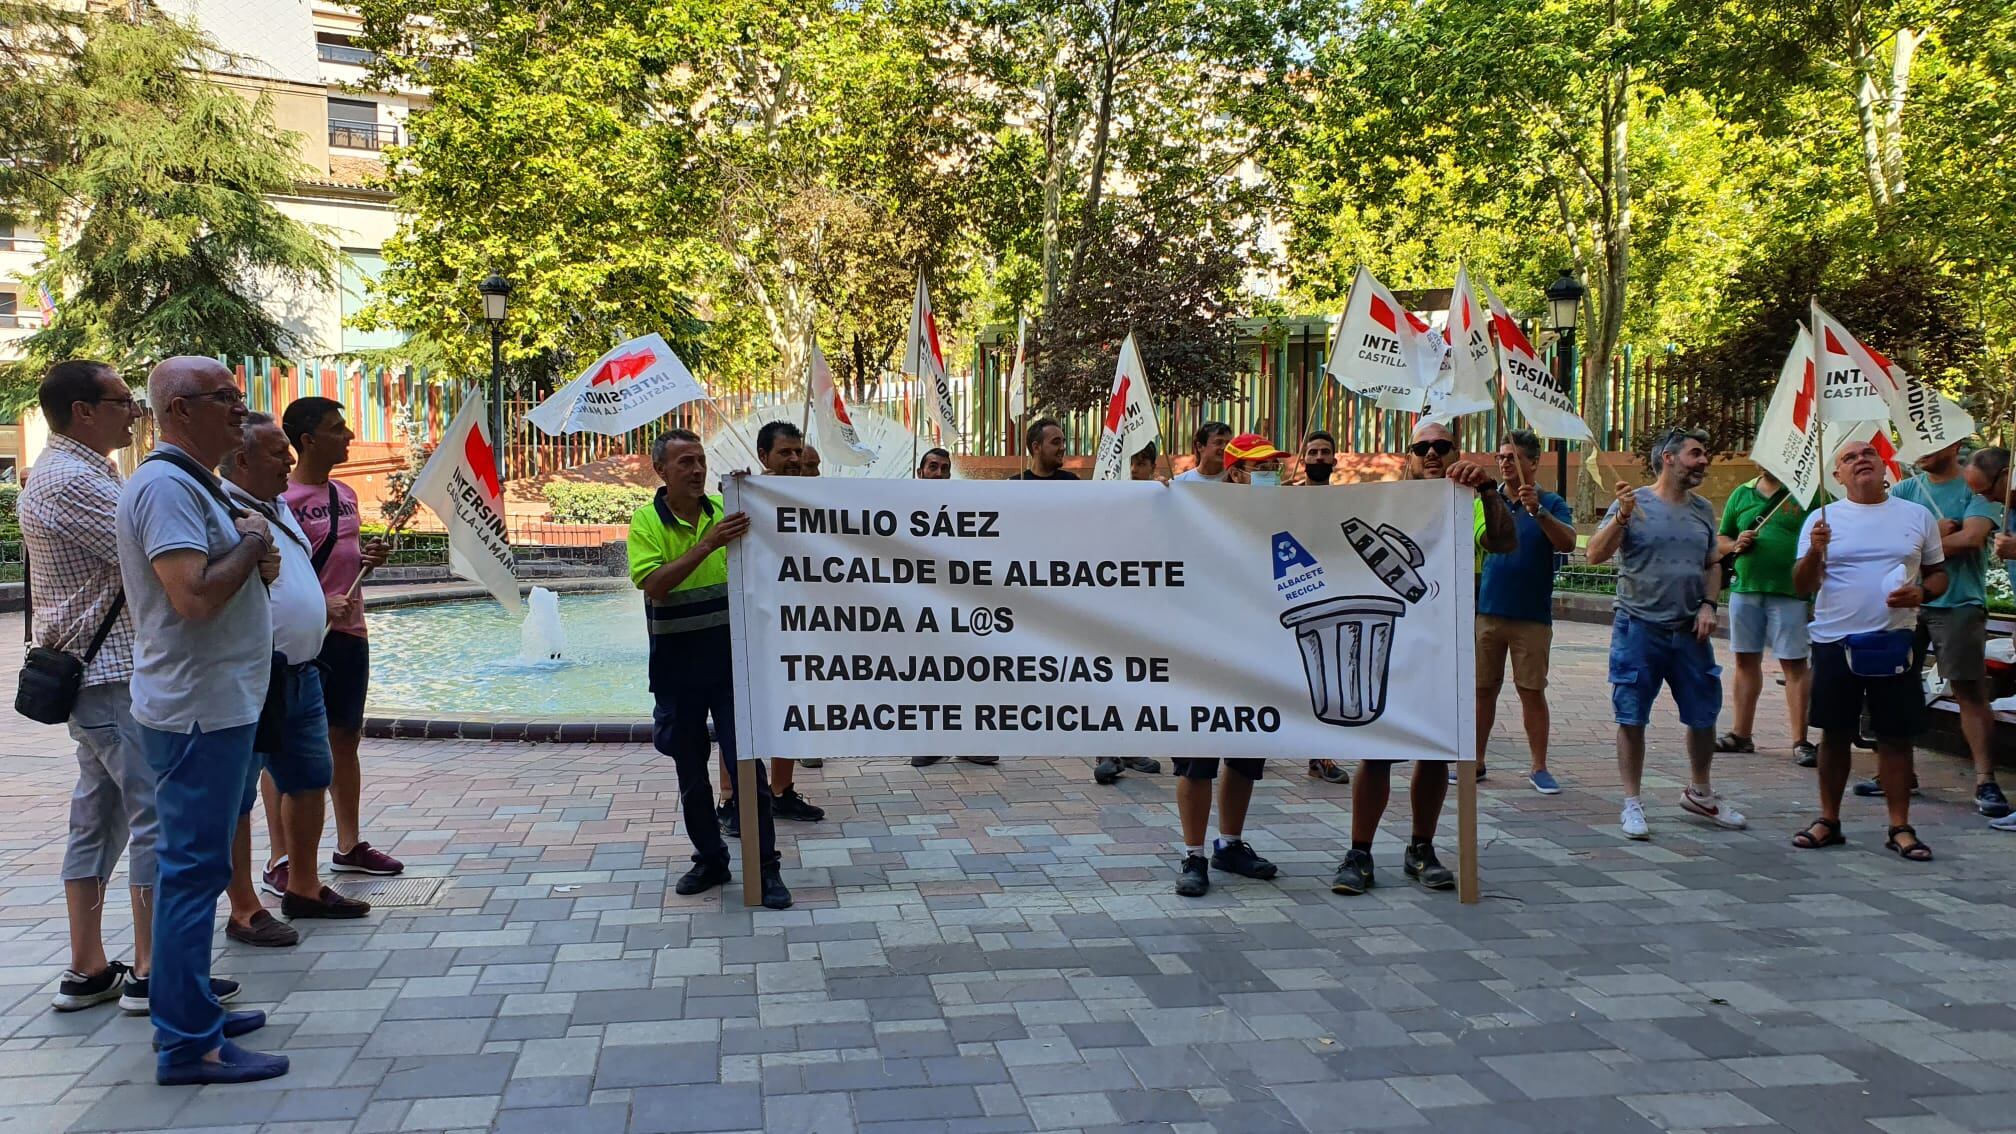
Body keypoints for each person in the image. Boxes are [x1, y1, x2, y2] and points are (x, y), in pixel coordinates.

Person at [117, 357, 286, 1085]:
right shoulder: (163, 488)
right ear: (180, 409)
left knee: (200, 867)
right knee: (191, 876)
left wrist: (254, 546)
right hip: (195, 711)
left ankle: (191, 1009)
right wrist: (251, 544)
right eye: (227, 401)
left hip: (215, 706)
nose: (241, 416)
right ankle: (187, 1043)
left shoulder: (194, 484)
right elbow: (191, 597)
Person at [22, 360, 171, 1012]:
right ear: (83, 411)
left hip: (99, 676)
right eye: (121, 401)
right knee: (155, 817)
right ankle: (150, 970)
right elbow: (154, 547)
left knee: (100, 816)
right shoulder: (70, 481)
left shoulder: (77, 472)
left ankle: (88, 968)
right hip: (110, 674)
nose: (134, 410)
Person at [1334, 421, 1513, 895]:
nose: (1432, 453)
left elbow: (1503, 542)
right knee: (1377, 755)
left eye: (1442, 445)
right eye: (1422, 447)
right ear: (1408, 455)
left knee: (1434, 754)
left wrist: (1490, 491)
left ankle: (1421, 848)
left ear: (1456, 449)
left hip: (1444, 648)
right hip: (1386, 647)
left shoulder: (1466, 504)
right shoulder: (1383, 502)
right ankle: (1359, 852)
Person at [629, 429, 791, 909]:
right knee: (691, 772)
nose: (697, 470)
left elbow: (784, 525)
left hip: (730, 667)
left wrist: (753, 488)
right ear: (661, 470)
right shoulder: (646, 523)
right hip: (677, 670)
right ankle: (711, 858)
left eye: (700, 461)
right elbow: (656, 584)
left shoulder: (727, 513)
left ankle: (765, 869)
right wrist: (707, 546)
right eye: (685, 462)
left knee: (749, 769)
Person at [224, 414, 370, 922]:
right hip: (251, 674)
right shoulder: (222, 511)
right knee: (238, 793)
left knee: (311, 775)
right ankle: (245, 906)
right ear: (242, 460)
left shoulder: (275, 508)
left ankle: (305, 888)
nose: (289, 460)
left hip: (301, 670)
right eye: (276, 453)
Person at [1790, 438, 1946, 861]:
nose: (1861, 460)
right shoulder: (1821, 521)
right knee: (1834, 734)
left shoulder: (1917, 516)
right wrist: (1816, 552)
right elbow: (1802, 586)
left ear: (1884, 466)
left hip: (1894, 642)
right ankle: (1828, 820)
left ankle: (1900, 826)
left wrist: (1920, 593)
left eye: (1868, 454)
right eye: (1848, 457)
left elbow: (1938, 576)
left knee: (1895, 737)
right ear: (1837, 476)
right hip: (1834, 642)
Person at [1586, 428, 1743, 840]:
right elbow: (1595, 554)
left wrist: (1710, 605)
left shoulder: (1703, 510)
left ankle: (1701, 792)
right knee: (1631, 716)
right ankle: (1632, 802)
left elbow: (1713, 563)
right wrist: (1620, 516)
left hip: (1690, 632)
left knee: (1704, 715)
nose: (1703, 460)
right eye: (1695, 453)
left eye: (1704, 454)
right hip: (1638, 628)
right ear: (1668, 458)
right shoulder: (1633, 503)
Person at [1172, 433, 1296, 897]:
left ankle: (1230, 844)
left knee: (1244, 756)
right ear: (1235, 472)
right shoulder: (1194, 511)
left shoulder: (1282, 516)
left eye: (1274, 466)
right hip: (1200, 656)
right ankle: (1194, 854)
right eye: (1260, 467)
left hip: (1254, 654)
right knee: (1196, 760)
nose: (1271, 475)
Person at [278, 399, 398, 878]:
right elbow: (276, 574)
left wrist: (369, 557)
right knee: (284, 746)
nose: (349, 435)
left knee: (346, 736)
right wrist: (318, 604)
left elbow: (341, 559)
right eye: (337, 428)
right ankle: (282, 857)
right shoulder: (281, 501)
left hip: (351, 631)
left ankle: (349, 845)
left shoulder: (344, 492)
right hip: (306, 636)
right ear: (308, 439)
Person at [1859, 442, 2008, 816]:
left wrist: (1920, 542)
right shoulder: (1907, 489)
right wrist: (1937, 537)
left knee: (1968, 690)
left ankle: (1985, 781)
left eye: (1931, 444)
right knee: (1892, 686)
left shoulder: (1977, 485)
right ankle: (1896, 773)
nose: (1920, 451)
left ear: (1953, 445)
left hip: (1959, 603)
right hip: (1906, 604)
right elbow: (1881, 542)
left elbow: (1972, 539)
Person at [1472, 430, 1577, 793]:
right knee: (1482, 689)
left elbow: (1567, 543)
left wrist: (1539, 512)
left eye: (1513, 457)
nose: (1504, 463)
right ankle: (1475, 761)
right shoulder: (1486, 499)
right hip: (1487, 611)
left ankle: (1539, 767)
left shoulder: (1551, 502)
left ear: (1534, 462)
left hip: (1531, 615)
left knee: (1531, 690)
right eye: (1500, 456)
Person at [1715, 468, 1818, 766]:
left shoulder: (1805, 494)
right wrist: (1734, 544)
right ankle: (1741, 734)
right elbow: (1723, 536)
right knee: (1745, 660)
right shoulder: (1742, 493)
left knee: (1794, 663)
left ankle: (1800, 740)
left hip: (1789, 590)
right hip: (1745, 588)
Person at [751, 421, 828, 817]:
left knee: (794, 703)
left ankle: (781, 790)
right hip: (757, 625)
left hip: (803, 623)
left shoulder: (817, 500)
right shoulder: (744, 496)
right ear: (764, 457)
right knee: (745, 712)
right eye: (786, 453)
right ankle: (736, 799)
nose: (795, 459)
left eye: (799, 453)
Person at [1293, 430, 1350, 786]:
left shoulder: (1348, 500)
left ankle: (1321, 756)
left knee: (1325, 677)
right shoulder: (1283, 498)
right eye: (1311, 452)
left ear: (1334, 459)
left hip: (1331, 597)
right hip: (1289, 595)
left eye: (1323, 452)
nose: (1317, 458)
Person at [1013, 417, 1078, 481]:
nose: (1062, 448)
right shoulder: (1015, 485)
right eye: (1056, 442)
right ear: (1036, 447)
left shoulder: (1072, 482)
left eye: (1063, 442)